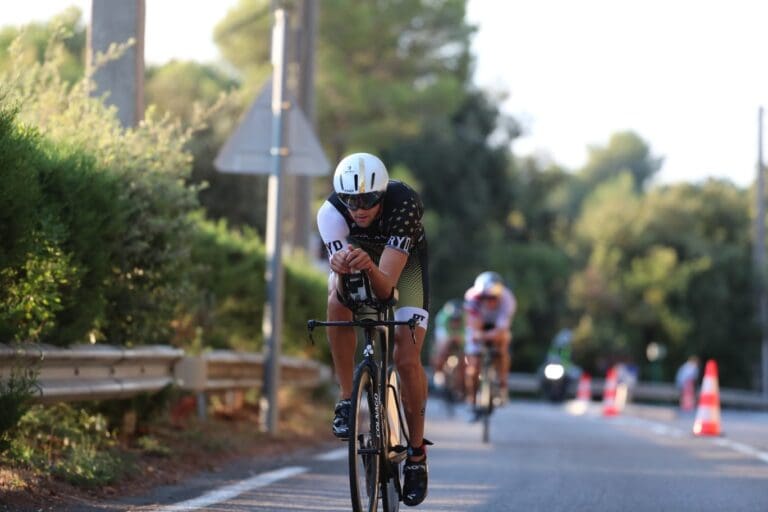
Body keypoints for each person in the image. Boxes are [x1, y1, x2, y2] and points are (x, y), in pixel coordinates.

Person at [316, 152, 431, 506]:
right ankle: (347, 399)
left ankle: (416, 456)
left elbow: (387, 291)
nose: (359, 208)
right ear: (341, 197)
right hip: (360, 255)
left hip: (404, 266)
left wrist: (369, 267)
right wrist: (342, 264)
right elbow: (342, 287)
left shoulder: (404, 204)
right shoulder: (329, 214)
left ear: (381, 194)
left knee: (406, 355)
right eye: (351, 200)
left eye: (368, 200)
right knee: (337, 302)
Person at [463, 271, 516, 415]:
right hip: (479, 325)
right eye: (484, 298)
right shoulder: (471, 297)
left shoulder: (508, 299)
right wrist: (478, 336)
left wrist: (488, 336)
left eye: (492, 298)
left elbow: (501, 330)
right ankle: (472, 399)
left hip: (497, 326)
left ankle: (502, 385)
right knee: (473, 368)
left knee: (502, 345)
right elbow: (473, 324)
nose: (488, 301)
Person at [431, 299, 466, 401]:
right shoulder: (442, 319)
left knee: (464, 360)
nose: (455, 322)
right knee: (439, 353)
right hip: (445, 339)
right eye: (453, 320)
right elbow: (441, 340)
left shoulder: (465, 319)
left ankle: (460, 389)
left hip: (460, 340)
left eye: (457, 320)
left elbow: (467, 340)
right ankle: (439, 375)